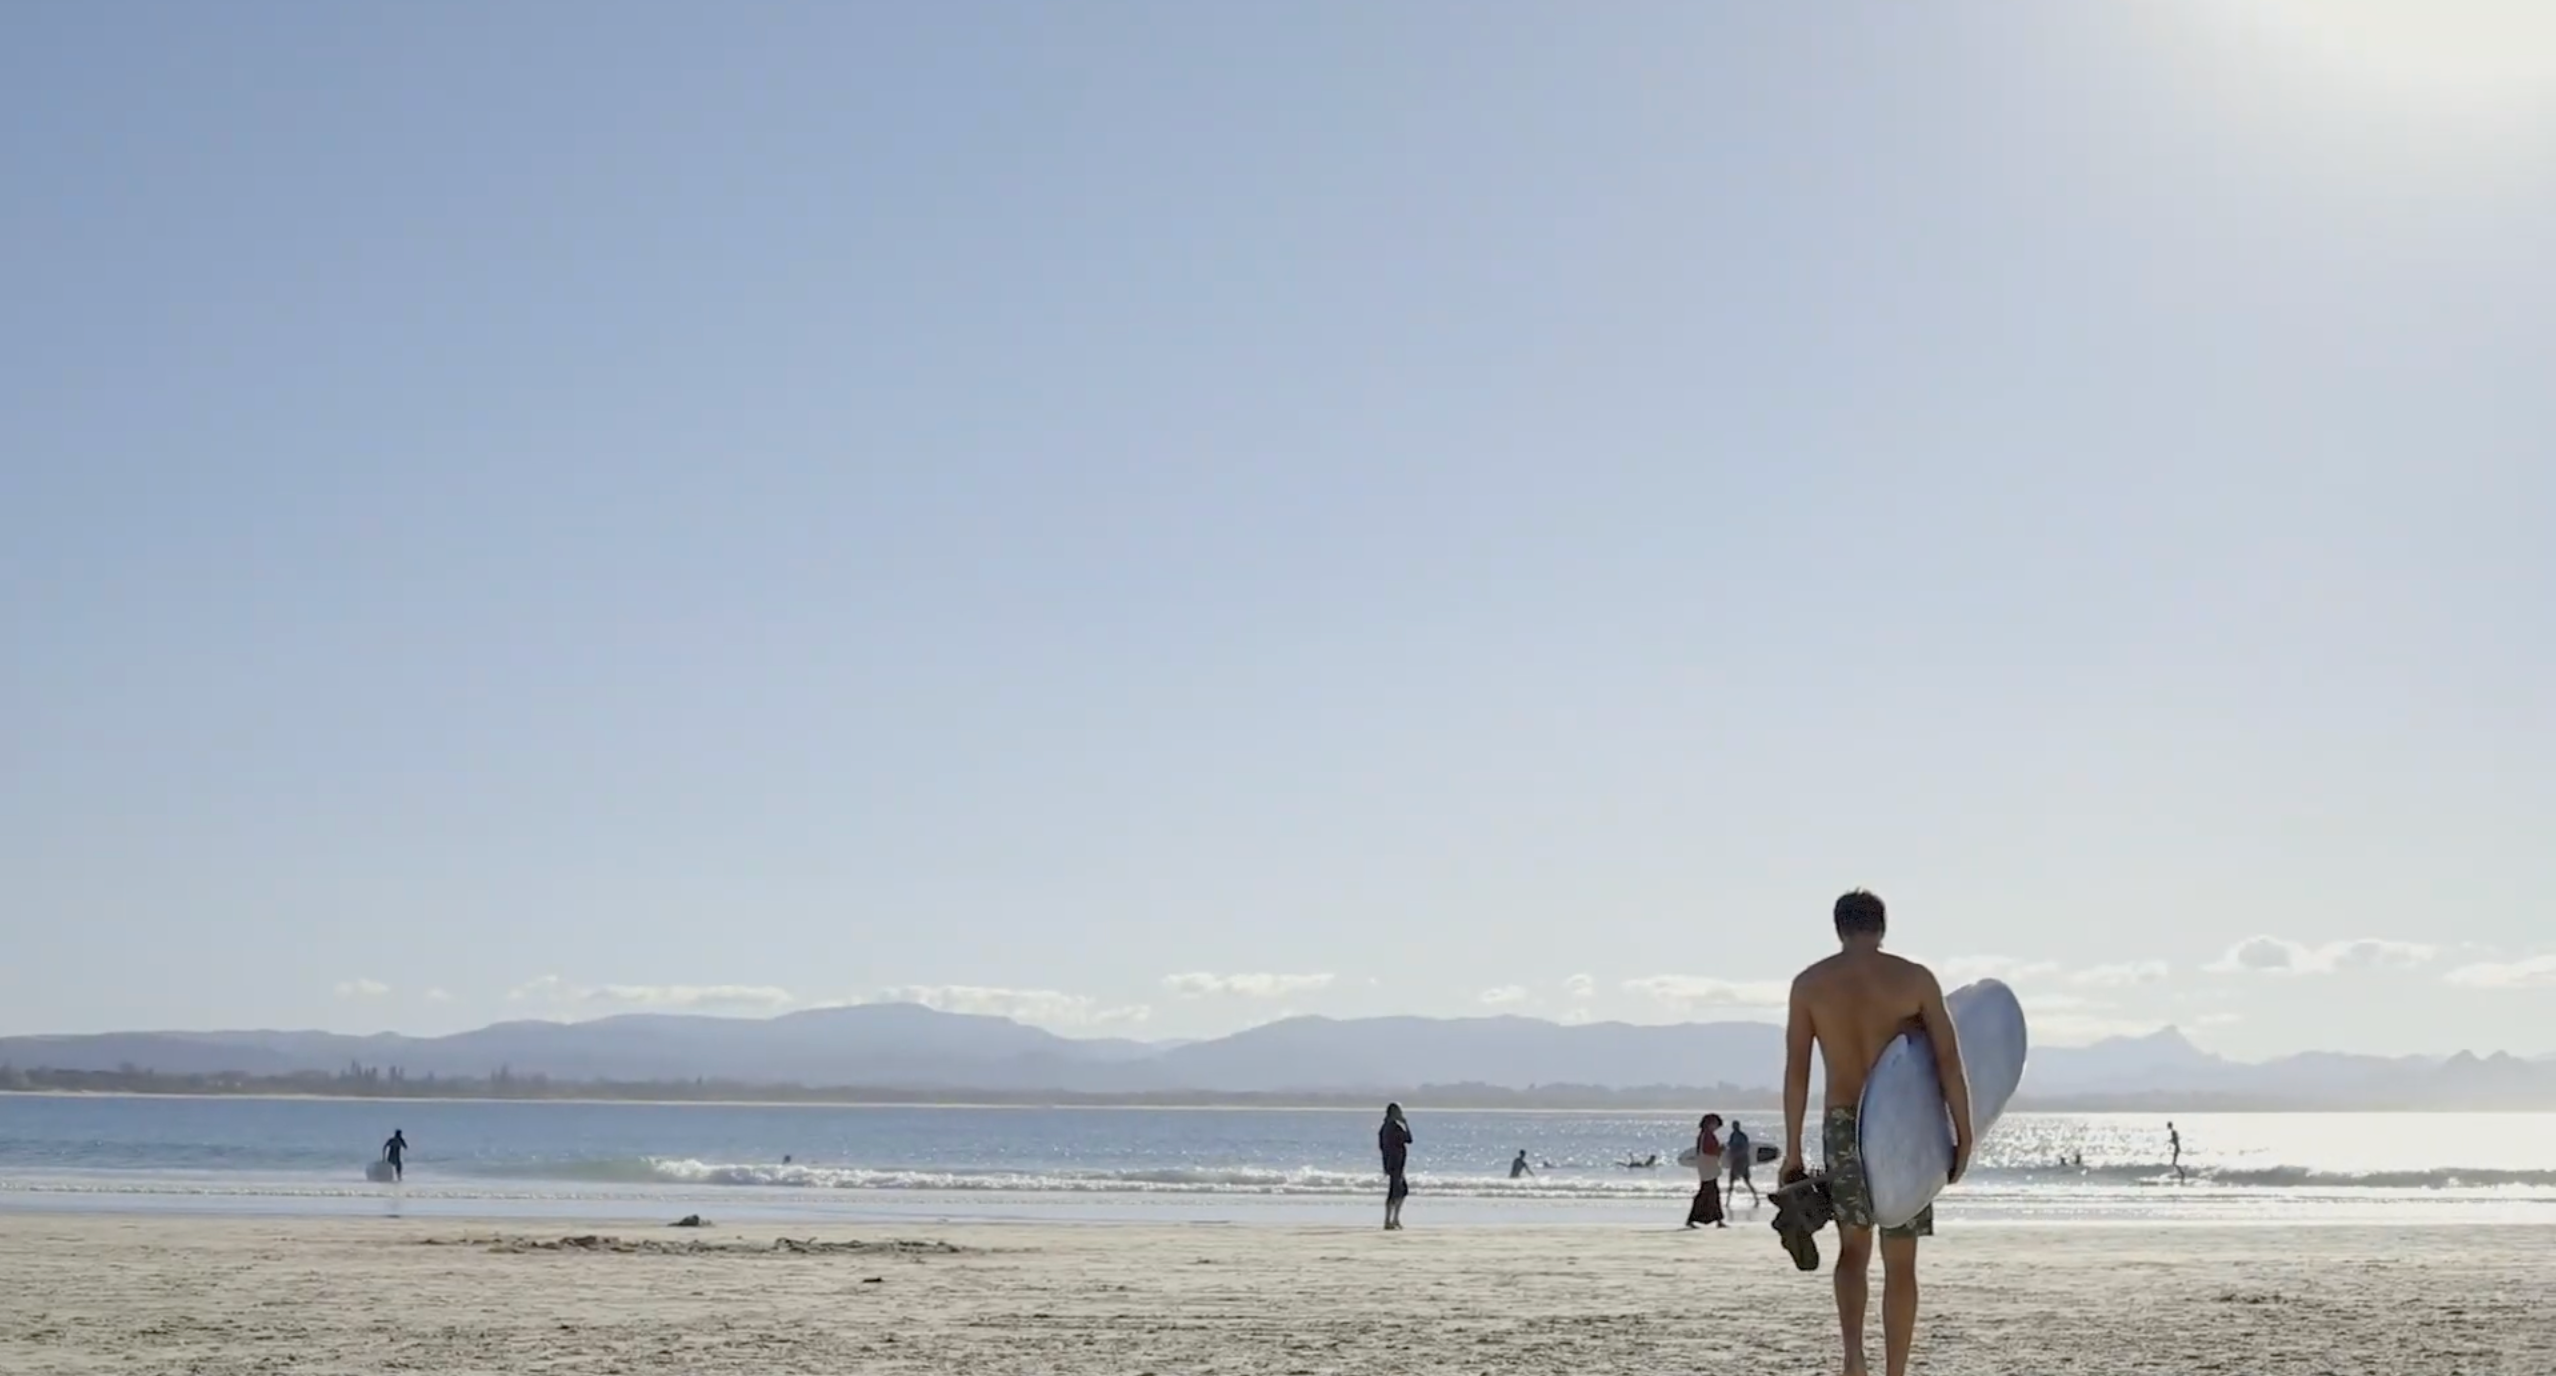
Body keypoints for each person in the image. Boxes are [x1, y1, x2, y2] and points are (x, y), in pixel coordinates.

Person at [1781, 890, 1973, 1376]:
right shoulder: (1916, 979)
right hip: (1906, 1129)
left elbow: (1797, 1072)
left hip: (1844, 1123)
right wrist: (1964, 1134)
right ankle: (1895, 1372)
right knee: (1901, 1261)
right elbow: (1949, 1060)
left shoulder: (1810, 985)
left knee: (1852, 1248)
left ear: (1838, 928)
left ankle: (1852, 1356)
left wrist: (1791, 1150)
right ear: (1882, 927)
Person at [1687, 1114, 1727, 1228]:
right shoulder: (1707, 1135)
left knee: (1710, 1193)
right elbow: (1709, 1150)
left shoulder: (1703, 1135)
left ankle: (1716, 1219)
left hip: (1706, 1168)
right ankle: (1696, 1218)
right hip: (1708, 1169)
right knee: (1709, 1193)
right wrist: (1720, 1149)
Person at [1378, 1103, 1413, 1230]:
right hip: (1395, 1163)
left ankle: (1394, 1218)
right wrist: (1406, 1124)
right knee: (1396, 1191)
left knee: (1401, 1190)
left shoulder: (1384, 1128)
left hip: (1392, 1162)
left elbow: (1382, 1147)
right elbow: (1409, 1139)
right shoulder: (1394, 1127)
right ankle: (1389, 1220)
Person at [1725, 1119, 1759, 1207]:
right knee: (1732, 1181)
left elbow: (1745, 1148)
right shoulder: (1733, 1135)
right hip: (1737, 1161)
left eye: (1735, 1125)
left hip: (1741, 1161)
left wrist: (1735, 1155)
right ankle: (1727, 1201)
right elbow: (1730, 1146)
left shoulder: (1742, 1136)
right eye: (1733, 1125)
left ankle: (1756, 1198)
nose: (1734, 1127)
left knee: (1746, 1181)